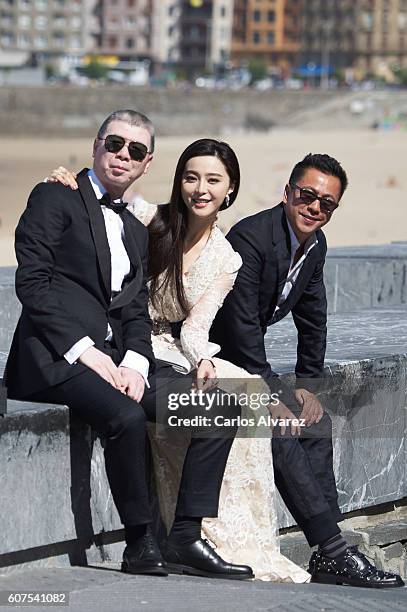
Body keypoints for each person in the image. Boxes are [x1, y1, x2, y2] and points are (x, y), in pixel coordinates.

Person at [5, 110, 254, 581]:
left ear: (147, 163)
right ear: (96, 145)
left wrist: (137, 363)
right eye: (114, 144)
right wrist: (91, 354)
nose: (123, 155)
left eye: (135, 151)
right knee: (124, 414)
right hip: (55, 359)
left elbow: (136, 309)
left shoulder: (137, 228)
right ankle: (140, 541)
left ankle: (184, 536)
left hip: (118, 359)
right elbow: (33, 285)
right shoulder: (53, 197)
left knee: (219, 409)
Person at [46, 139, 309, 582]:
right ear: (178, 182)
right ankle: (188, 534)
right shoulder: (151, 219)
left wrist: (203, 358)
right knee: (233, 400)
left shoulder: (228, 258)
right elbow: (102, 195)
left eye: (212, 180)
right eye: (191, 177)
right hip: (123, 346)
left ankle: (202, 533)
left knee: (245, 398)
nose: (200, 189)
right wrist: (63, 183)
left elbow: (194, 329)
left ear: (230, 189)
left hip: (172, 350)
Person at [210, 153, 404, 588]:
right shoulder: (252, 239)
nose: (315, 207)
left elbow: (314, 319)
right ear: (288, 194)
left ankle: (329, 550)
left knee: (316, 422)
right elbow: (241, 331)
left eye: (327, 203)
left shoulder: (315, 246)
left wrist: (308, 387)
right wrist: (275, 396)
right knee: (277, 427)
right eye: (308, 195)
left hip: (240, 355)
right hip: (205, 354)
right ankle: (335, 548)